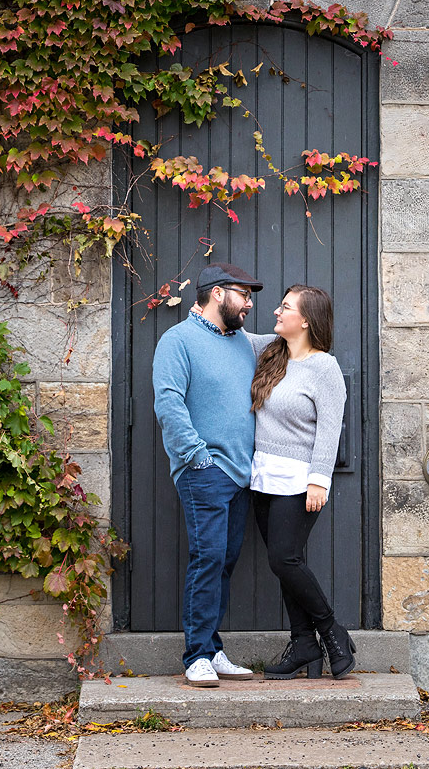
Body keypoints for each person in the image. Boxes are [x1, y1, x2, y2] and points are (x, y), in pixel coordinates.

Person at [152, 261, 274, 687]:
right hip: (205, 470)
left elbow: (287, 339)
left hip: (241, 475)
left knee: (223, 561)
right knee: (208, 559)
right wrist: (197, 456)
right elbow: (168, 403)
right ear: (218, 293)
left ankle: (213, 648)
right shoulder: (178, 340)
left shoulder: (242, 342)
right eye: (244, 295)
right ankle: (197, 655)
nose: (250, 304)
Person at [250, 284, 355, 680]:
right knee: (285, 566)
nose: (277, 312)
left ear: (307, 320)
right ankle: (304, 644)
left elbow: (329, 430)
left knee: (284, 559)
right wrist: (208, 308)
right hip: (262, 477)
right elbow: (229, 335)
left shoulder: (324, 368)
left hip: (299, 481)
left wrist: (319, 481)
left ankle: (331, 631)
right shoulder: (270, 351)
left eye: (286, 307)